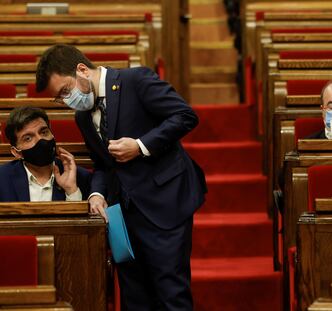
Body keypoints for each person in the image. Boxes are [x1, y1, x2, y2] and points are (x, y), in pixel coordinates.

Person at [35, 44, 207, 311]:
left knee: (171, 294)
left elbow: (185, 115)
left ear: (82, 70)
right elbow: (102, 164)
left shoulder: (135, 80)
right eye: (60, 98)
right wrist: (96, 193)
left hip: (163, 204)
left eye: (66, 91)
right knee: (134, 299)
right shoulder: (82, 117)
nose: (67, 101)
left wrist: (140, 145)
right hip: (122, 217)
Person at [0, 106, 91, 202]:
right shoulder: (2, 178)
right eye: (28, 138)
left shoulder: (81, 177)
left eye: (44, 132)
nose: (40, 139)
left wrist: (71, 191)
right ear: (17, 152)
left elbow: (83, 216)